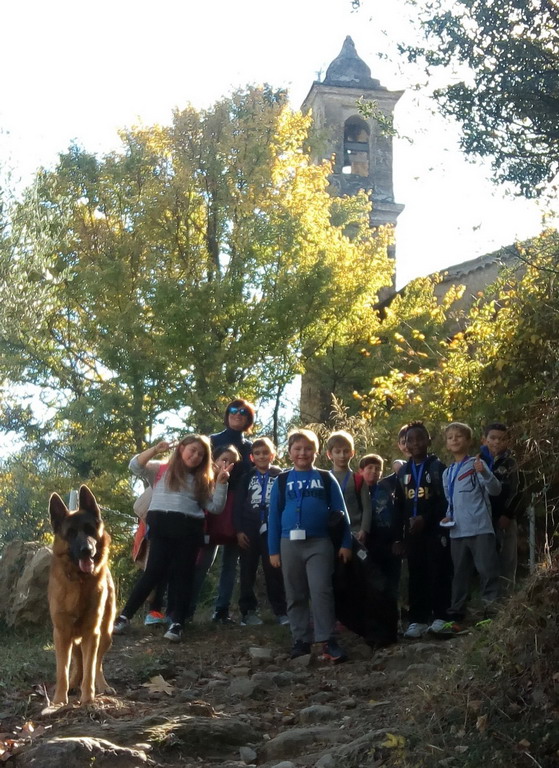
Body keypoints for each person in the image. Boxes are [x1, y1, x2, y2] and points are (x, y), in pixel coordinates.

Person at [113, 436, 232, 642]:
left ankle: (177, 623)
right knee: (152, 573)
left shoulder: (203, 479)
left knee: (183, 575)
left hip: (189, 530)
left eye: (201, 454)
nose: (195, 456)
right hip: (162, 528)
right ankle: (124, 617)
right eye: (192, 450)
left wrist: (222, 483)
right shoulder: (160, 469)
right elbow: (134, 466)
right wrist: (155, 449)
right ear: (181, 448)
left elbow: (215, 507)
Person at [268, 428, 352, 663]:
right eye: (297, 449)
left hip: (320, 543)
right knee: (294, 593)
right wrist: (273, 550)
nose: (302, 453)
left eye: (308, 449)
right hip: (288, 543)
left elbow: (341, 513)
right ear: (289, 452)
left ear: (316, 452)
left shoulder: (326, 478)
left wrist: (346, 543)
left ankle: (327, 640)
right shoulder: (282, 480)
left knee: (321, 590)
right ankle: (301, 639)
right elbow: (273, 517)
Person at [393, 421, 451, 638]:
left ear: (429, 440)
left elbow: (445, 501)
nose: (415, 443)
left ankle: (441, 616)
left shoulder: (438, 468)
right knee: (416, 574)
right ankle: (417, 619)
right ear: (405, 444)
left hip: (435, 531)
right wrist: (398, 538)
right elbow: (399, 506)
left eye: (420, 438)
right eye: (410, 440)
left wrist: (426, 519)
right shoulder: (403, 472)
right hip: (412, 534)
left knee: (438, 572)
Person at [442, 422, 502, 626]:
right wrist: (448, 516)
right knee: (459, 575)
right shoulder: (447, 472)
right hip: (457, 531)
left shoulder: (477, 464)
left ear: (468, 441)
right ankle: (456, 615)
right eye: (450, 437)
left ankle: (491, 613)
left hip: (480, 528)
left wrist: (484, 472)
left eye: (459, 436)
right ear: (447, 444)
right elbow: (450, 501)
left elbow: (495, 490)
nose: (454, 440)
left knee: (487, 571)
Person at [233, 437, 288, 625]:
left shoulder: (281, 476)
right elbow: (238, 505)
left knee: (274, 568)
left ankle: (281, 611)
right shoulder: (246, 478)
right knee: (247, 569)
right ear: (252, 457)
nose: (262, 456)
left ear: (273, 455)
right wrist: (239, 530)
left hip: (272, 528)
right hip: (249, 527)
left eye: (265, 453)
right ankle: (247, 612)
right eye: (257, 453)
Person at [187, 445, 241, 623]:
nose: (227, 464)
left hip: (230, 531)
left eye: (232, 462)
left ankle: (221, 611)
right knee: (200, 568)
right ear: (214, 460)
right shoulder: (203, 481)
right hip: (207, 531)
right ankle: (187, 611)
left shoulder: (238, 482)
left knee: (230, 568)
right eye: (224, 459)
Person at [480, 422, 520, 596]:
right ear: (484, 440)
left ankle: (507, 601)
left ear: (508, 441)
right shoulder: (477, 461)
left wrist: (508, 514)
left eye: (502, 439)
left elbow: (518, 490)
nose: (497, 442)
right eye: (493, 438)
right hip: (483, 519)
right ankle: (489, 600)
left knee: (507, 559)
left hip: (505, 518)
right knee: (487, 560)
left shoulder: (511, 462)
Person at [357, 454, 401, 602]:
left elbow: (395, 515)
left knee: (390, 584)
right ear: (361, 471)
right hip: (366, 542)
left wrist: (397, 539)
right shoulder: (355, 490)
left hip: (387, 542)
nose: (374, 471)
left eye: (378, 469)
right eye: (369, 468)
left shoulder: (386, 488)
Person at [326, 430, 363, 532]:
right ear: (329, 454)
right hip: (331, 531)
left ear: (352, 453)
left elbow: (367, 508)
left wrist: (364, 530)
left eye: (346, 451)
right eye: (337, 452)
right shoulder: (325, 478)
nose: (342, 455)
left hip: (355, 530)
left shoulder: (358, 479)